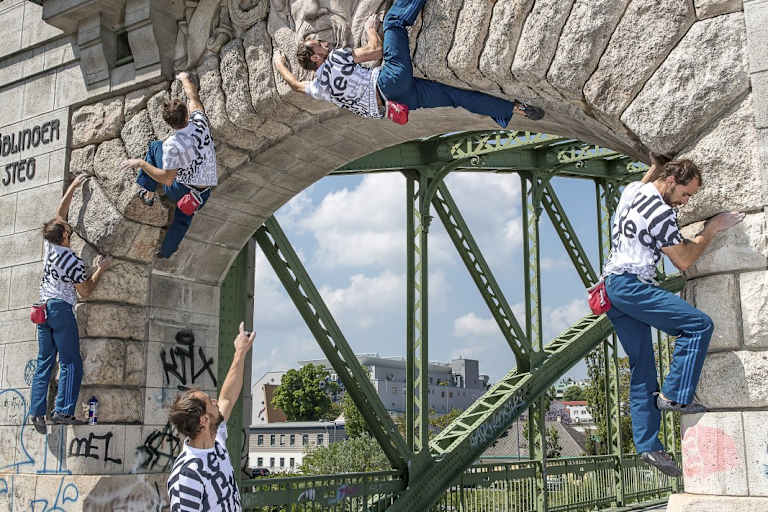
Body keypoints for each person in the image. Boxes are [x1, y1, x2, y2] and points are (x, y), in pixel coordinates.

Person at [602, 155, 744, 477]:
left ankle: (648, 446)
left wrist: (656, 164)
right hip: (633, 286)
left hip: (611, 288)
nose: (686, 201)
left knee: (642, 367)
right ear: (670, 181)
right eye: (685, 193)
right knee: (698, 326)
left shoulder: (633, 191)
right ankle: (675, 395)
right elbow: (683, 260)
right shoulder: (661, 213)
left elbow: (647, 179)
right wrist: (711, 229)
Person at [272, 0, 544, 127]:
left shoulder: (320, 87)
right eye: (318, 44)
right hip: (389, 80)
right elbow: (376, 51)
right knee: (394, 21)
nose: (323, 43)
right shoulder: (336, 58)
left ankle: (513, 109)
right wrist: (371, 29)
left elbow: (296, 85)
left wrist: (280, 66)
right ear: (316, 58)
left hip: (398, 105)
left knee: (456, 97)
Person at [30, 175, 112, 434]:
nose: (69, 229)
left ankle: (36, 412)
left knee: (44, 361)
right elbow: (85, 290)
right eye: (68, 230)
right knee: (70, 361)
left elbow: (59, 213)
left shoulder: (49, 247)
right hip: (61, 310)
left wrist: (74, 187)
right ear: (64, 236)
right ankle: (63, 411)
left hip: (42, 309)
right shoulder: (70, 261)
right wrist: (100, 269)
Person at [121, 71, 217, 259]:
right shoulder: (200, 123)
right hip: (203, 193)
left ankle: (148, 193)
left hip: (182, 190)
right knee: (183, 216)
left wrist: (141, 163)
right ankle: (166, 252)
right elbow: (193, 97)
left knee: (154, 147)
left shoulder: (172, 145)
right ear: (187, 114)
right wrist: (185, 78)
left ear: (169, 124)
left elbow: (167, 178)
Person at [166, 322, 256, 511]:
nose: (216, 402)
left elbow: (227, 397)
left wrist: (240, 352)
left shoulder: (216, 440)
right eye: (210, 402)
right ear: (204, 420)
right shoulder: (187, 474)